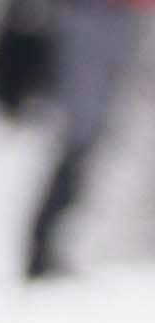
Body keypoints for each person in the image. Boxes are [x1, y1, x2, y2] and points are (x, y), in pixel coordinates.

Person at [26, 0, 146, 269]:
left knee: (91, 138)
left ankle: (53, 246)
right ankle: (42, 249)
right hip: (95, 19)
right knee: (82, 137)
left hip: (117, 20)